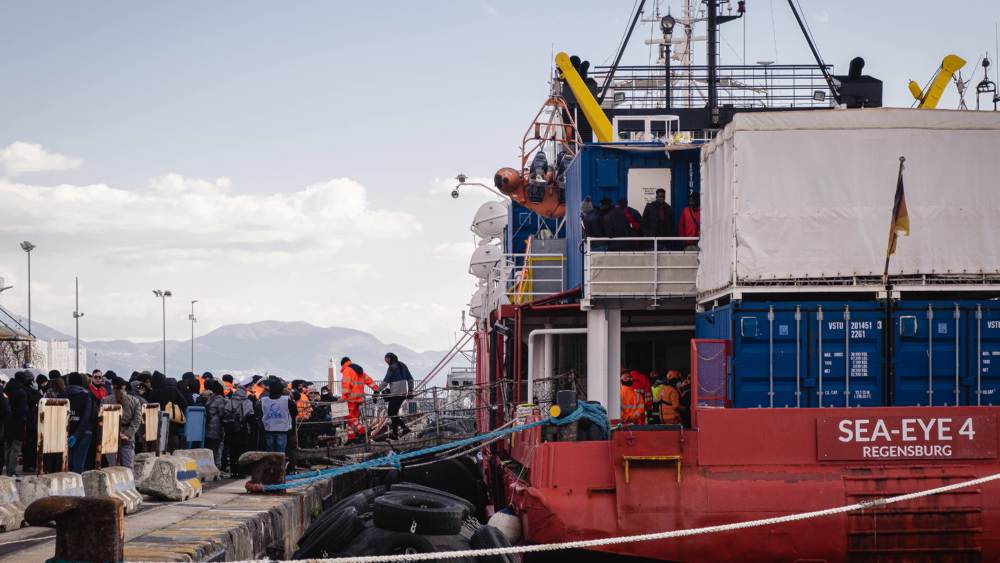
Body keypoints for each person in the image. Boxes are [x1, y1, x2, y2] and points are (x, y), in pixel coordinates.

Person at [102, 376, 142, 468]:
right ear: (124, 387)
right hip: (127, 437)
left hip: (110, 436)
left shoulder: (105, 400)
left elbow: (103, 420)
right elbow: (137, 420)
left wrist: (115, 433)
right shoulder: (135, 401)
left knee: (112, 467)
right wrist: (127, 434)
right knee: (128, 467)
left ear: (112, 386)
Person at [147, 371, 189, 452]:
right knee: (174, 451)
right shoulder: (173, 390)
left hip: (157, 428)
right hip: (173, 427)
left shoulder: (153, 393)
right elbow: (184, 404)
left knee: (158, 452)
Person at [340, 357, 379, 444]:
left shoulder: (347, 370)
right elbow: (369, 380)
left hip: (350, 399)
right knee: (352, 419)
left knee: (349, 417)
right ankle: (351, 438)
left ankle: (362, 431)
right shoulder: (358, 370)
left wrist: (343, 397)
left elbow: (346, 384)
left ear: (342, 364)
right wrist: (376, 389)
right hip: (359, 399)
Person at [222, 384, 254, 476]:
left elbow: (226, 412)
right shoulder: (248, 402)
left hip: (231, 429)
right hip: (242, 430)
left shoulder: (230, 401)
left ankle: (233, 471)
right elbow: (250, 416)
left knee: (232, 451)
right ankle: (241, 471)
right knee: (242, 451)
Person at [66, 372, 95, 473]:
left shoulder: (62, 395)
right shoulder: (86, 395)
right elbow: (86, 417)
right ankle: (78, 484)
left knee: (66, 462)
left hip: (66, 432)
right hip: (84, 433)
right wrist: (77, 435)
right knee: (79, 462)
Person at [381, 352, 414, 440]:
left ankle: (404, 429)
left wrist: (377, 391)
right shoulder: (403, 365)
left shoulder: (392, 368)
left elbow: (385, 381)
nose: (386, 362)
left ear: (390, 358)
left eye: (387, 360)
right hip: (403, 394)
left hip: (395, 394)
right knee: (393, 413)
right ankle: (395, 433)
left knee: (391, 413)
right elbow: (410, 379)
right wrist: (410, 391)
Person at [257, 379, 296, 453]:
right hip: (282, 429)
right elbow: (295, 412)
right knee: (280, 452)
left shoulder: (263, 400)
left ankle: (270, 464)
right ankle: (280, 464)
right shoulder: (287, 400)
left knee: (270, 451)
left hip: (268, 428)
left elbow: (258, 410)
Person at [3, 372, 30, 476]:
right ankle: (11, 470)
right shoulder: (21, 392)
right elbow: (23, 409)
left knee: (7, 446)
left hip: (7, 421)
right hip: (18, 422)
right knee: (16, 447)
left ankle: (7, 468)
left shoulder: (6, 389)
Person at [200, 379, 226, 469]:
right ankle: (214, 468)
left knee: (208, 451)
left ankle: (206, 467)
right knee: (214, 451)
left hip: (207, 429)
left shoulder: (210, 398)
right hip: (216, 430)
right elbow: (222, 414)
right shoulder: (220, 400)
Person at [22, 373, 42, 473]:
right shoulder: (29, 392)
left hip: (26, 421)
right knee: (31, 445)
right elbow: (38, 398)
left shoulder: (20, 390)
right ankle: (30, 465)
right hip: (31, 422)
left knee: (26, 445)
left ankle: (27, 465)